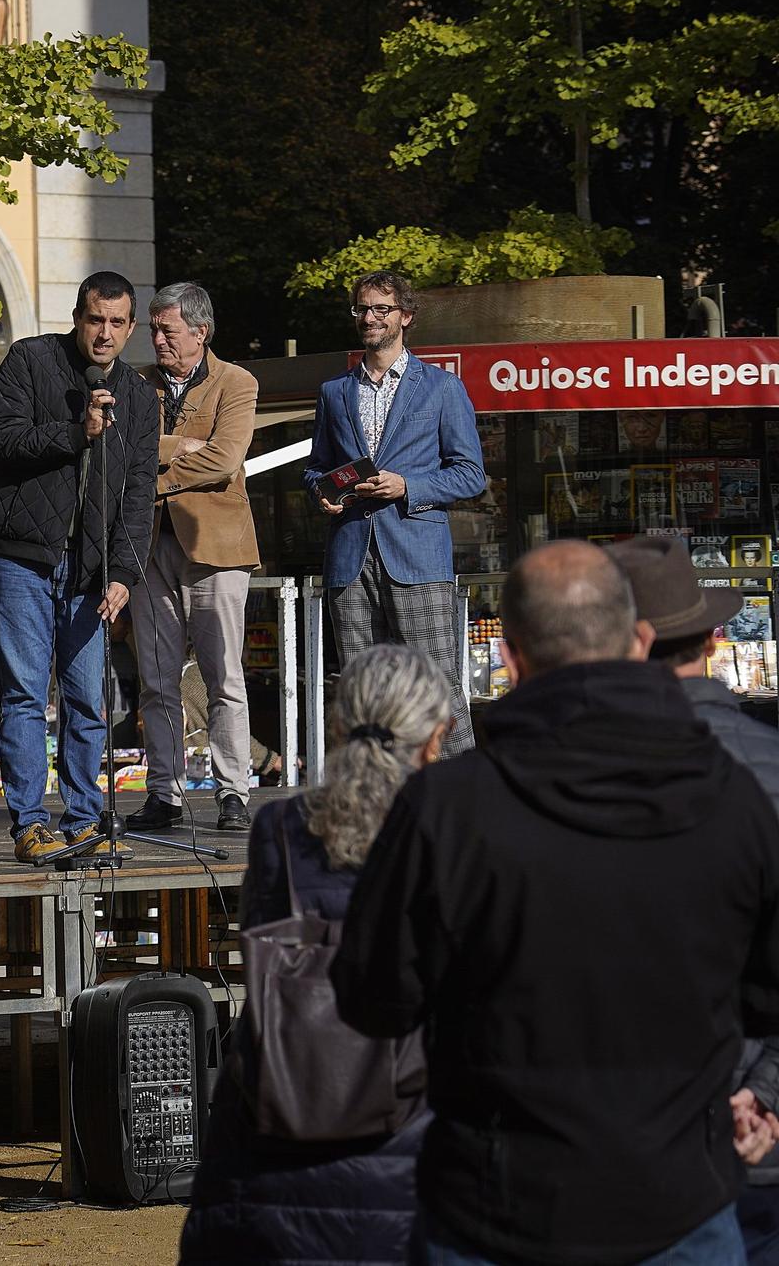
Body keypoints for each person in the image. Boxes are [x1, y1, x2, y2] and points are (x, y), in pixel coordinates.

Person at [333, 540, 779, 1264]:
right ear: (637, 642)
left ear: (509, 659)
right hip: (677, 1202)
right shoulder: (732, 797)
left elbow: (374, 996)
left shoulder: (446, 806)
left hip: (495, 1205)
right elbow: (768, 995)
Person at [181, 644, 448, 1264]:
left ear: (335, 726)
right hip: (407, 1141)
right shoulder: (453, 830)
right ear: (435, 741)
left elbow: (260, 943)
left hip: (269, 1137)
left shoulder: (279, 829)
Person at [610, 535, 779, 1263]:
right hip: (752, 1126)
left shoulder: (566, 770)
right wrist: (767, 1091)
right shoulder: (769, 765)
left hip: (618, 1135)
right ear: (712, 640)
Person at [0, 270, 158, 864]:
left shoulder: (137, 395)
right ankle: (30, 822)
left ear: (131, 328)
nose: (103, 333)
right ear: (77, 317)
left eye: (116, 323)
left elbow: (138, 494)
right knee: (26, 694)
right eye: (94, 320)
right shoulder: (29, 361)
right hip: (22, 558)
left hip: (91, 567)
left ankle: (84, 818)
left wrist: (123, 576)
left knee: (89, 700)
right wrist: (76, 431)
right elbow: (4, 441)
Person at [304, 271, 485, 756]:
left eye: (381, 309)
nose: (369, 318)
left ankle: (458, 790)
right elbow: (318, 468)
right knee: (362, 690)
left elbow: (471, 473)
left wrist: (409, 486)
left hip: (418, 555)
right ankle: (376, 797)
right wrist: (324, 493)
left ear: (406, 317)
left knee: (436, 683)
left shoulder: (442, 388)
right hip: (350, 555)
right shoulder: (335, 391)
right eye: (362, 308)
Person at [128, 282, 260, 833]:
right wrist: (177, 448)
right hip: (149, 547)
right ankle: (165, 793)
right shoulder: (137, 386)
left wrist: (155, 474)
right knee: (156, 680)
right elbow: (122, 449)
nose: (156, 338)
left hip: (217, 548)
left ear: (200, 333)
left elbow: (226, 460)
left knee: (223, 676)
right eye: (154, 329)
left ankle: (234, 792)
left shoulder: (237, 381)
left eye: (167, 330)